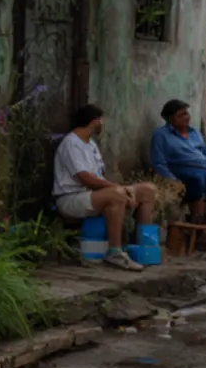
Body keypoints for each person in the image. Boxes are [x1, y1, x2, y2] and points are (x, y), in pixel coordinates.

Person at [53, 103, 156, 272]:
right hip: (71, 199)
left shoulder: (91, 145)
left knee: (147, 190)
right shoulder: (71, 143)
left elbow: (100, 178)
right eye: (102, 121)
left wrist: (125, 191)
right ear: (95, 122)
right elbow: (86, 178)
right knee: (116, 195)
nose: (103, 124)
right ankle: (115, 252)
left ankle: (144, 248)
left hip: (93, 196)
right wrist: (119, 189)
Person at [151, 99, 206, 226]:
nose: (186, 117)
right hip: (181, 171)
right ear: (171, 119)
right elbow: (158, 163)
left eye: (186, 113)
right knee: (197, 179)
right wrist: (173, 181)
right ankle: (197, 222)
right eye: (181, 115)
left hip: (204, 169)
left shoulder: (194, 133)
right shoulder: (161, 135)